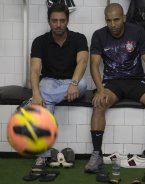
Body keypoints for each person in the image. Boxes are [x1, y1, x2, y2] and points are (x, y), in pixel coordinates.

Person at [85, 3, 145, 173]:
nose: (112, 24)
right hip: (112, 83)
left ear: (123, 18)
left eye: (116, 19)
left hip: (136, 81)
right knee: (98, 104)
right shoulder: (99, 35)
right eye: (109, 20)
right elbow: (94, 65)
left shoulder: (137, 32)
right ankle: (96, 154)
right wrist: (100, 90)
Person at [29, 3, 88, 171]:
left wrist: (73, 83)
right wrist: (35, 93)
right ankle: (42, 156)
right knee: (44, 91)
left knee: (82, 83)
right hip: (49, 81)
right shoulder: (39, 41)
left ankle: (37, 102)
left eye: (62, 20)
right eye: (54, 21)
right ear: (49, 22)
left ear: (67, 20)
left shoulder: (79, 38)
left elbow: (83, 62)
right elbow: (34, 69)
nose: (58, 24)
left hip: (72, 83)